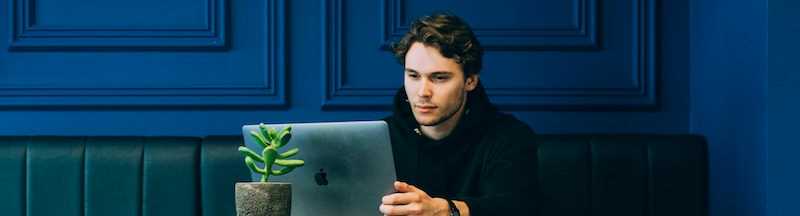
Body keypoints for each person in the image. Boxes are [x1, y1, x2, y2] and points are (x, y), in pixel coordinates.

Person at [379, 12, 538, 216]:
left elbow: (515, 208)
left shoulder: (509, 137)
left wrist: (448, 210)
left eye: (439, 78)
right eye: (413, 76)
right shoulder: (382, 137)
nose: (422, 92)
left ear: (470, 81)